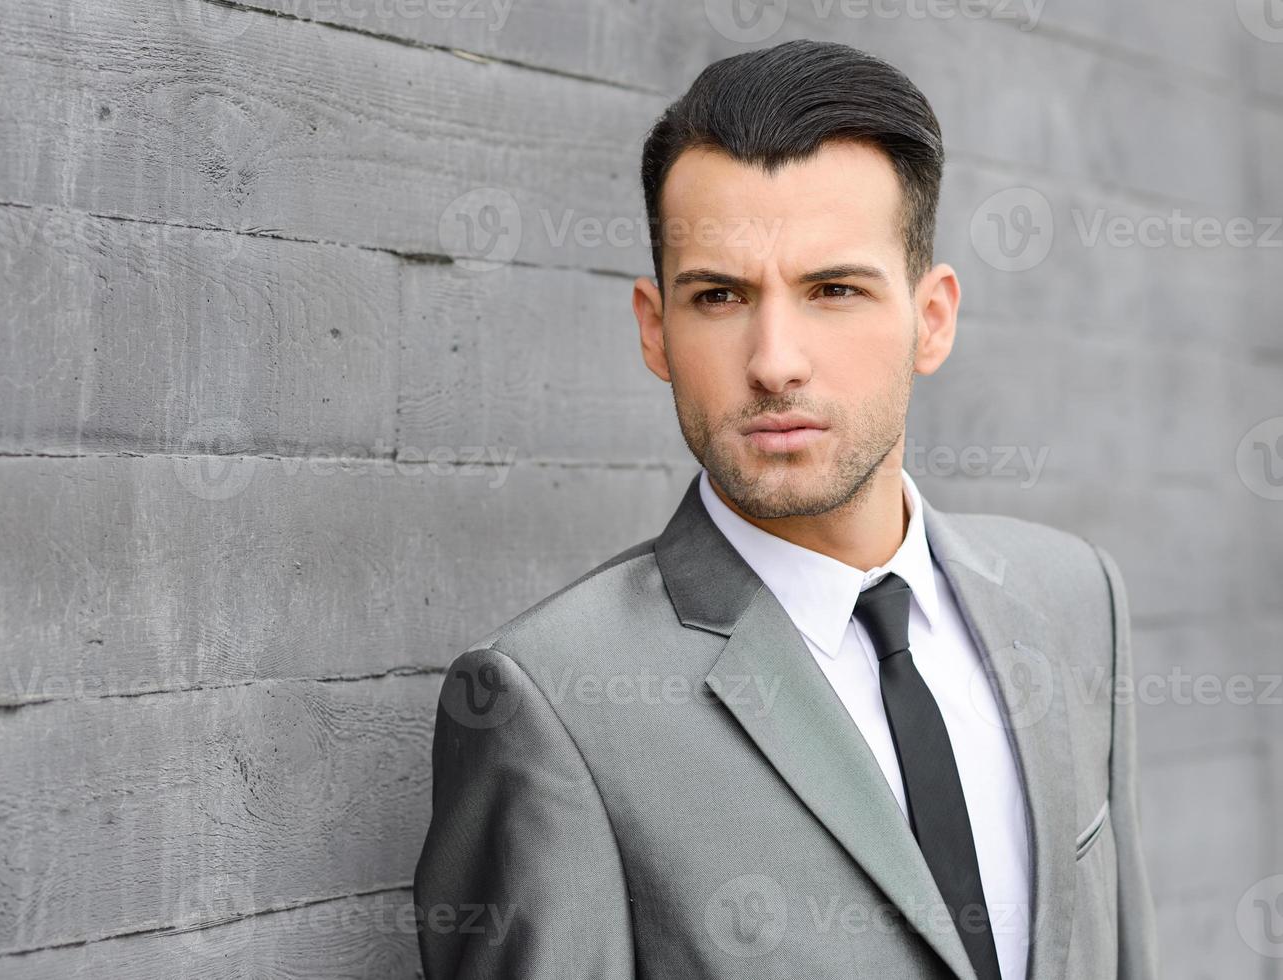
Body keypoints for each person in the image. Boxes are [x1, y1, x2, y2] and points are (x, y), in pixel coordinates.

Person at [413, 38, 1159, 980]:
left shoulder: (1073, 598)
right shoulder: (552, 705)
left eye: (833, 290)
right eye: (719, 296)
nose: (774, 361)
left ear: (931, 319)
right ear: (656, 330)